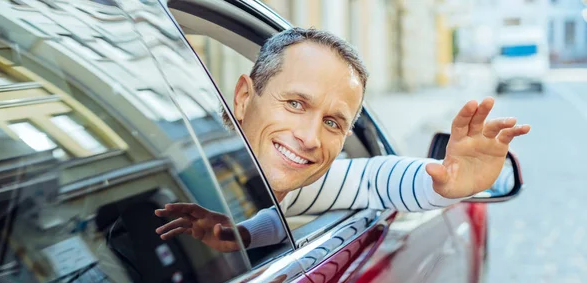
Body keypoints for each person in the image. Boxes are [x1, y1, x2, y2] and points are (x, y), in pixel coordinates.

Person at [155, 28, 530, 251]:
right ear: (242, 98)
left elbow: (374, 180)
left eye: (333, 123)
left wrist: (448, 182)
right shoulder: (174, 182)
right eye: (295, 103)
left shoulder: (298, 185)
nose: (309, 138)